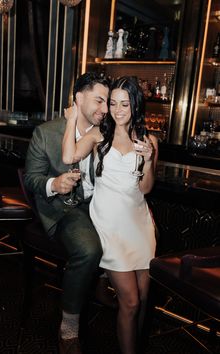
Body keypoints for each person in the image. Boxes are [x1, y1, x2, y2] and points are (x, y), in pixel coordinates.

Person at [62, 76, 159, 354]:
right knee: (129, 302)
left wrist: (149, 160)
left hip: (138, 225)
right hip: (109, 225)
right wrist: (71, 119)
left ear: (135, 106)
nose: (117, 110)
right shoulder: (97, 134)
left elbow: (146, 188)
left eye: (124, 104)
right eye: (113, 103)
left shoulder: (148, 140)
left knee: (141, 299)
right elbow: (69, 157)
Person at [24, 72, 110, 354]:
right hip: (64, 210)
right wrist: (55, 184)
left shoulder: (106, 133)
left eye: (107, 102)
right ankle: (69, 327)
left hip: (100, 206)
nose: (105, 109)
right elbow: (31, 179)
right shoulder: (46, 133)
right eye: (99, 100)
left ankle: (100, 282)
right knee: (88, 249)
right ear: (78, 98)